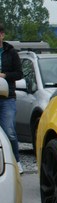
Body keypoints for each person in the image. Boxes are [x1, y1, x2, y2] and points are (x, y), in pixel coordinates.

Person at [0, 24, 24, 174]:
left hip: (7, 98)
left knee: (9, 131)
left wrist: (5, 76)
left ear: (2, 34)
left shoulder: (11, 52)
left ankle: (16, 161)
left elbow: (19, 74)